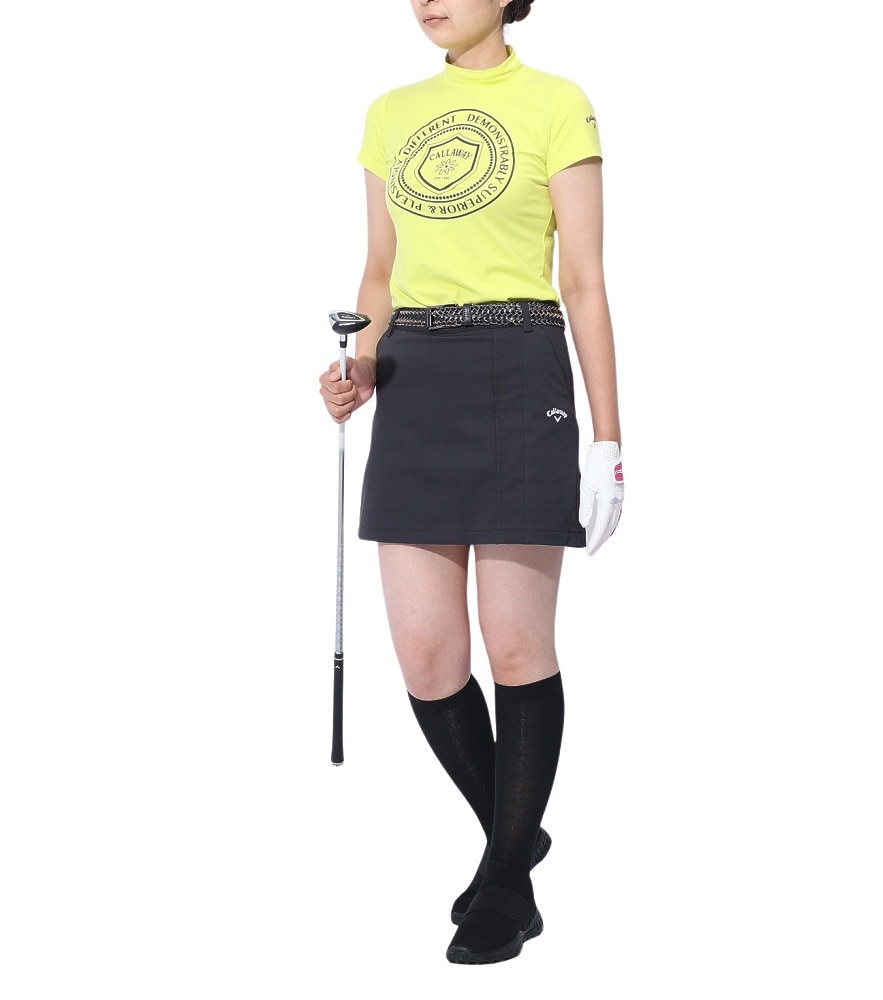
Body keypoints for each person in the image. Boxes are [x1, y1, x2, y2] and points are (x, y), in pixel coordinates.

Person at [318, 0, 623, 965]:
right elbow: (380, 271)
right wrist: (361, 367)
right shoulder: (390, 113)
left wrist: (607, 440)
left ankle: (502, 887)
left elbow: (584, 279)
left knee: (515, 642)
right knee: (427, 658)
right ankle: (515, 840)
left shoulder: (558, 103)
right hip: (416, 379)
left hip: (517, 367)